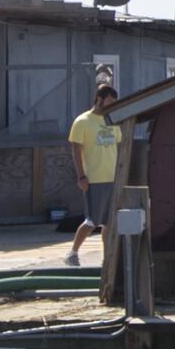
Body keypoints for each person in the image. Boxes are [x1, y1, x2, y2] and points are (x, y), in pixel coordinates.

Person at [64, 76, 123, 267]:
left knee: (109, 222)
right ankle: (72, 253)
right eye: (109, 101)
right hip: (94, 179)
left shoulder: (112, 121)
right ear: (99, 99)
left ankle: (107, 259)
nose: (111, 105)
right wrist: (81, 176)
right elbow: (76, 149)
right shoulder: (83, 121)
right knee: (92, 220)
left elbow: (119, 146)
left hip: (112, 177)